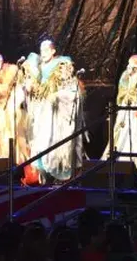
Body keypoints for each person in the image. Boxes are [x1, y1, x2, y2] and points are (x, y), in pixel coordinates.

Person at [25, 39, 85, 183]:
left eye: (46, 50)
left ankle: (54, 176)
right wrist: (29, 89)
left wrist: (57, 96)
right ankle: (41, 176)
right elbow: (31, 89)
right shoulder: (36, 67)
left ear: (53, 51)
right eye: (41, 50)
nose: (43, 53)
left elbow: (71, 91)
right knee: (38, 141)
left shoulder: (61, 67)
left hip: (54, 114)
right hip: (40, 110)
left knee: (51, 141)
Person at [103, 55, 137, 160]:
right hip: (127, 109)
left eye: (135, 66)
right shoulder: (125, 76)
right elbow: (122, 93)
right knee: (122, 133)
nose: (130, 68)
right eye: (130, 65)